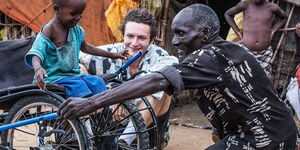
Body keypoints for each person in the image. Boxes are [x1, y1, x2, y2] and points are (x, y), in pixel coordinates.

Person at [58, 4, 297, 149]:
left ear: (204, 33)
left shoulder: (207, 57)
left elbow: (158, 81)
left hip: (263, 137)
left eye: (181, 33)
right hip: (272, 129)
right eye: (174, 34)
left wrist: (90, 102)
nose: (175, 41)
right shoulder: (227, 50)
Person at [79, 8, 178, 148]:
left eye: (142, 38)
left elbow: (173, 65)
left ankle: (124, 143)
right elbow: (77, 60)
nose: (134, 43)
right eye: (130, 36)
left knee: (161, 87)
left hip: (149, 129)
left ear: (151, 40)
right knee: (79, 72)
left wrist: (124, 96)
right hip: (111, 125)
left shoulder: (160, 56)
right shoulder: (112, 52)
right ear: (123, 36)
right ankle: (87, 135)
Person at [24, 0, 127, 98]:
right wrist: (38, 69)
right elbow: (36, 53)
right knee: (78, 86)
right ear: (56, 9)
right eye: (73, 13)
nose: (78, 17)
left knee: (97, 82)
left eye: (81, 13)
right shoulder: (49, 30)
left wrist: (113, 54)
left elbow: (86, 48)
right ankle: (82, 112)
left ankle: (102, 113)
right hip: (53, 78)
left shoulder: (77, 30)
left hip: (74, 75)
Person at [224, 0, 287, 78]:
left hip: (265, 53)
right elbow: (228, 14)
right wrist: (238, 32)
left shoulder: (272, 7)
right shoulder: (245, 4)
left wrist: (273, 31)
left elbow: (284, 17)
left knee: (264, 79)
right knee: (246, 78)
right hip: (247, 51)